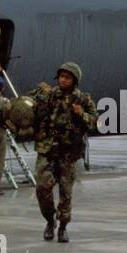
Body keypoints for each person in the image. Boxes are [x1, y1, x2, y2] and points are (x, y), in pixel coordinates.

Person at [32, 61, 97, 242]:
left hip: (68, 152)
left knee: (65, 192)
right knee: (42, 188)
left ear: (74, 80)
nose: (63, 80)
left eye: (67, 77)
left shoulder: (83, 99)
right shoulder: (49, 95)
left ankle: (62, 227)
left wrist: (80, 113)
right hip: (47, 148)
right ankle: (49, 220)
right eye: (61, 76)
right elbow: (33, 111)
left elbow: (95, 122)